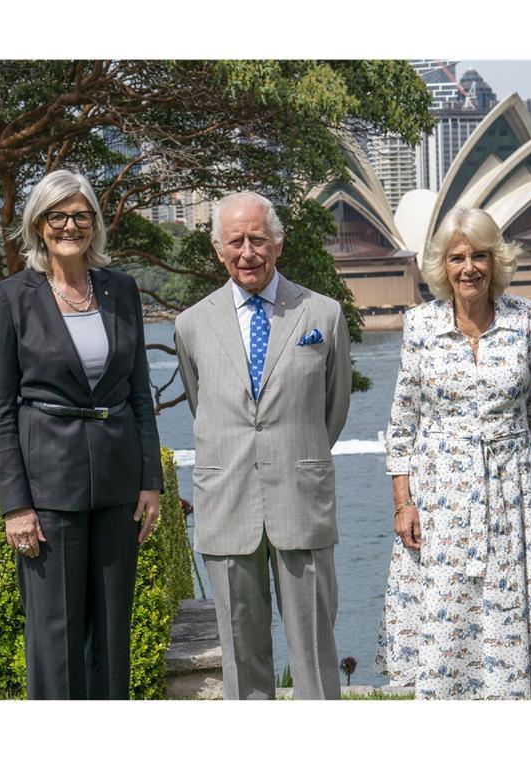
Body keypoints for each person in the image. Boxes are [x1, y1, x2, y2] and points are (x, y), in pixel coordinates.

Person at [376, 206, 531, 699]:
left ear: (495, 260)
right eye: (458, 257)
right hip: (441, 496)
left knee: (508, 616)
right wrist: (404, 502)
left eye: (480, 256)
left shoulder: (527, 318)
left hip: (514, 494)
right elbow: (403, 422)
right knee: (448, 616)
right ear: (444, 266)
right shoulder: (419, 324)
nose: (469, 268)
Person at [0, 169, 163, 699]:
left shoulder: (120, 289)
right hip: (47, 488)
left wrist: (149, 482)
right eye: (58, 216)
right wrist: (15, 505)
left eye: (81, 215)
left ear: (95, 224)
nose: (70, 225)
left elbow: (138, 394)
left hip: (117, 483)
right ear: (39, 225)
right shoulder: (9, 298)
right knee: (55, 636)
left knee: (112, 634)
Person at [174, 191, 352, 700]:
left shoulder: (323, 314)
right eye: (236, 241)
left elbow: (332, 410)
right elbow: (201, 401)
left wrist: (296, 451)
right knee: (240, 653)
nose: (247, 251)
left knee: (315, 653)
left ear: (278, 242)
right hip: (227, 504)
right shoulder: (191, 324)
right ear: (217, 249)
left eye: (258, 239)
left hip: (301, 500)